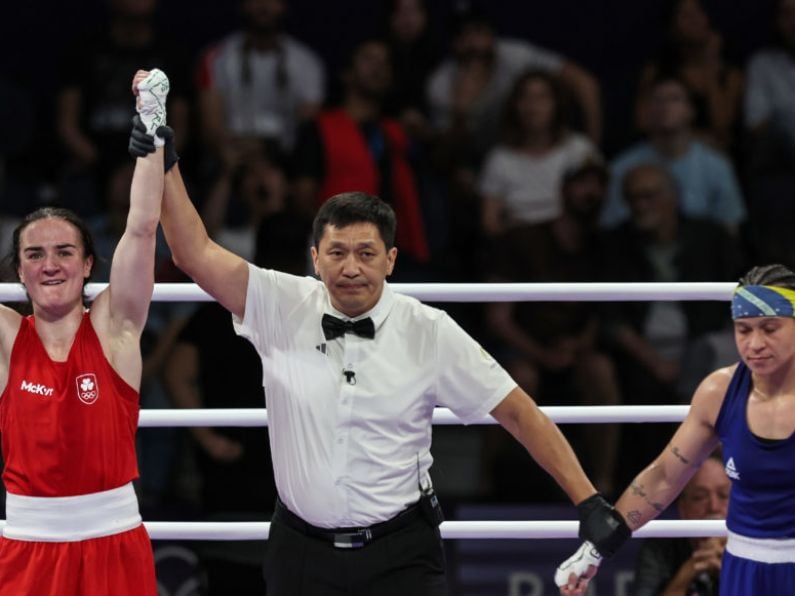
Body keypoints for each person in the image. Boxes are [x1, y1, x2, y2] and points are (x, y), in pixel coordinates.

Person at [129, 101, 630, 595]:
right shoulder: (280, 302)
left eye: (366, 254)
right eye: (338, 253)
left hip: (401, 555)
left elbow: (521, 413)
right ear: (315, 259)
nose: (351, 268)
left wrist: (588, 502)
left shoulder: (428, 329)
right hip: (300, 551)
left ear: (390, 260)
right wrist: (164, 162)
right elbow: (193, 253)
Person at [0, 68, 169, 596]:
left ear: (88, 264)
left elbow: (141, 226)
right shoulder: (6, 338)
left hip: (113, 536)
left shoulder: (116, 328)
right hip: (28, 543)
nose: (50, 265)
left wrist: (152, 131)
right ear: (19, 272)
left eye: (63, 252)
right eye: (35, 254)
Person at [556, 263, 795, 595]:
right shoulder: (719, 392)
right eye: (744, 329)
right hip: (744, 566)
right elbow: (664, 477)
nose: (755, 343)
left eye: (770, 328)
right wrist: (596, 548)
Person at [632, 450, 729, 596]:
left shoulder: (756, 543)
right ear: (682, 509)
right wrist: (688, 572)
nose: (713, 506)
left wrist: (731, 575)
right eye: (699, 497)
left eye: (724, 495)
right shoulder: (660, 547)